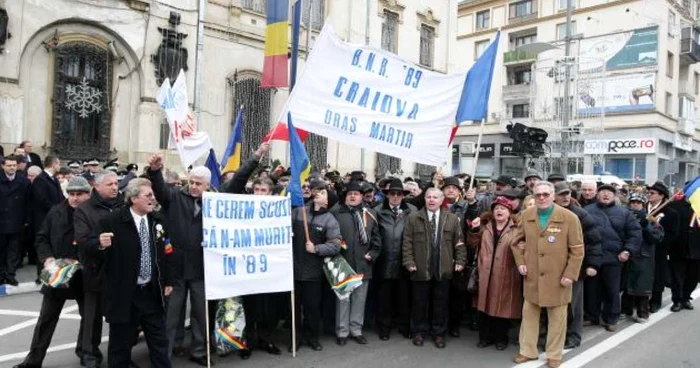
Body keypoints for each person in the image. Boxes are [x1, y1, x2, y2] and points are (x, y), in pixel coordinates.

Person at [13, 177, 92, 368]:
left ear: (88, 194)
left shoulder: (95, 213)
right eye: (71, 194)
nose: (75, 198)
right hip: (58, 273)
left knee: (89, 318)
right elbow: (41, 238)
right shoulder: (55, 212)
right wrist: (47, 258)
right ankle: (33, 361)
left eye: (79, 194)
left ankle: (85, 353)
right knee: (46, 319)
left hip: (85, 274)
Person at [97, 178, 173, 367]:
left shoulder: (158, 220)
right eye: (148, 195)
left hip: (151, 292)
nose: (153, 199)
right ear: (133, 198)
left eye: (153, 195)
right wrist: (98, 244)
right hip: (124, 294)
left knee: (159, 341)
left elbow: (168, 253)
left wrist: (168, 281)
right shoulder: (112, 221)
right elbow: (91, 253)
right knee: (120, 346)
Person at [512, 181, 584, 368]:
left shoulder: (569, 218)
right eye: (538, 195)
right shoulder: (526, 215)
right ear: (533, 196)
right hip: (532, 277)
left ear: (553, 196)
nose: (541, 198)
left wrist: (570, 274)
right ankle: (527, 351)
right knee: (529, 317)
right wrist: (520, 263)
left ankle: (554, 354)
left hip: (558, 277)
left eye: (545, 194)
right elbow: (515, 243)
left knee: (557, 320)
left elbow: (577, 250)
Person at [403, 188, 466, 349]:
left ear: (441, 200)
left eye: (435, 197)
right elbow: (407, 242)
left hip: (442, 267)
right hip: (420, 267)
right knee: (419, 302)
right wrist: (408, 261)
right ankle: (418, 331)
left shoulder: (452, 218)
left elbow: (459, 242)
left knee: (441, 303)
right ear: (424, 199)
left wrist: (460, 260)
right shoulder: (413, 217)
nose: (431, 200)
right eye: (428, 197)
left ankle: (439, 334)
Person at [75, 170, 124, 368]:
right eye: (110, 184)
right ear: (97, 186)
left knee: (121, 318)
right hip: (96, 271)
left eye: (116, 184)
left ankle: (120, 357)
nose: (114, 187)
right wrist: (99, 243)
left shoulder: (124, 206)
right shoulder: (84, 210)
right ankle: (90, 356)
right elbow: (82, 240)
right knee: (92, 318)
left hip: (121, 271)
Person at [583, 184, 642, 331]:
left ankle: (611, 318)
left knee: (612, 290)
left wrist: (627, 251)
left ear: (614, 196)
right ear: (597, 194)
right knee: (591, 289)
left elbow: (635, 233)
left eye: (609, 193)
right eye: (602, 192)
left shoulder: (624, 212)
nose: (605, 195)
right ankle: (591, 315)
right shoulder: (587, 211)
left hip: (614, 258)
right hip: (592, 257)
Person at [291, 183, 342, 351]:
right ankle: (295, 338)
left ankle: (312, 337)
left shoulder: (330, 220)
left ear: (329, 201)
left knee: (312, 308)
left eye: (323, 192)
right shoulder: (299, 212)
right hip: (294, 270)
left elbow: (335, 245)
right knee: (294, 308)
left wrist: (317, 249)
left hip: (314, 273)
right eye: (318, 191)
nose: (318, 194)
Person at [467, 196, 522, 350]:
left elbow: (521, 248)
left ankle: (501, 339)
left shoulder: (516, 229)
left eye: (503, 209)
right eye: (496, 208)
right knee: (483, 307)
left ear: (509, 212)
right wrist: (474, 229)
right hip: (484, 274)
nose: (499, 211)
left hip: (507, 274)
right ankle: (484, 338)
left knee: (502, 307)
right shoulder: (485, 227)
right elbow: (471, 243)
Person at [552, 182, 603, 349]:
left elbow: (594, 241)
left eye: (568, 193)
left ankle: (574, 335)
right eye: (561, 194)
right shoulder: (547, 213)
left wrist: (593, 264)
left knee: (574, 304)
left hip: (575, 267)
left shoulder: (581, 215)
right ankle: (554, 334)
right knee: (554, 303)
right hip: (552, 266)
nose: (565, 196)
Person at [331, 181, 382, 346]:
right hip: (342, 263)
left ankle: (356, 330)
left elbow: (377, 239)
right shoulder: (336, 213)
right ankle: (342, 331)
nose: (353, 196)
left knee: (360, 299)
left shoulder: (370, 214)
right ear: (345, 196)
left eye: (356, 193)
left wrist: (372, 254)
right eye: (350, 194)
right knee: (343, 299)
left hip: (363, 263)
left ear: (362, 196)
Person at [373, 178, 416, 340]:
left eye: (399, 194)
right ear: (387, 195)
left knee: (404, 296)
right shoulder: (377, 210)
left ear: (404, 195)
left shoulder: (411, 210)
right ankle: (384, 327)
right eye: (392, 193)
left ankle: (404, 326)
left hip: (405, 259)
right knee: (384, 297)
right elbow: (374, 235)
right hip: (384, 259)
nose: (396, 196)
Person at [623, 193, 664, 323]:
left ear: (643, 204)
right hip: (627, 254)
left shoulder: (651, 219)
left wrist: (646, 226)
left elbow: (657, 238)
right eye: (633, 202)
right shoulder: (623, 217)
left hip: (644, 256)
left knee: (642, 286)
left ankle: (642, 312)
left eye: (638, 203)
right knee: (626, 284)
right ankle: (625, 310)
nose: (635, 205)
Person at [645, 181, 680, 312]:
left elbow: (672, 234)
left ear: (662, 196)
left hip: (658, 249)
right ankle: (637, 301)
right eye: (648, 192)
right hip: (641, 248)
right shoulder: (642, 207)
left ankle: (655, 301)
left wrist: (658, 239)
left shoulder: (671, 213)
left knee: (657, 275)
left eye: (652, 193)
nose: (649, 195)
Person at [667, 190, 700, 312]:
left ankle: (686, 297)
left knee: (693, 277)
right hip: (678, 247)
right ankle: (677, 300)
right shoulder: (675, 205)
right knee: (677, 277)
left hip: (697, 248)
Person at [0, 155, 30, 285]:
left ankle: (11, 274)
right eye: (9, 165)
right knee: (1, 250)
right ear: (3, 166)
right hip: (1, 221)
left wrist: (26, 219)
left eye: (14, 165)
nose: (12, 168)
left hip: (16, 221)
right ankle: (1, 275)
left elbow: (28, 202)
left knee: (13, 250)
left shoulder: (23, 181)